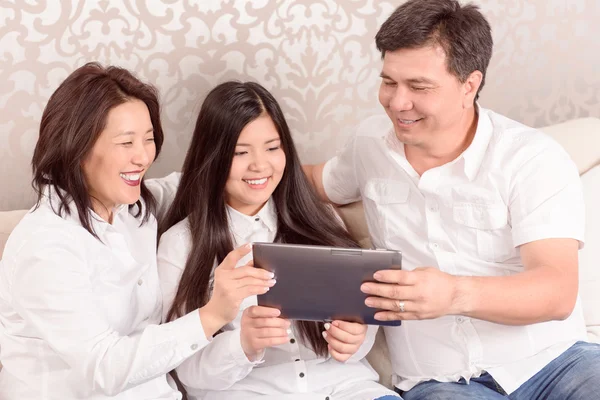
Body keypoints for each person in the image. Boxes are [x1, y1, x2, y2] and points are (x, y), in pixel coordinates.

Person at [303, 0, 600, 399]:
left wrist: (454, 294)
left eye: (419, 87)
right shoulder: (368, 145)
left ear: (469, 85)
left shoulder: (530, 158)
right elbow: (310, 181)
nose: (397, 102)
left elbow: (556, 290)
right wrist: (221, 172)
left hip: (555, 362)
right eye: (389, 81)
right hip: (440, 380)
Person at [0, 63, 274, 399]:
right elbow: (105, 367)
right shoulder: (46, 246)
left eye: (148, 139)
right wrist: (212, 315)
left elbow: (205, 177)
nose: (143, 157)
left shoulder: (134, 206)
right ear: (77, 147)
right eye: (126, 142)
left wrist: (278, 173)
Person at [157, 81, 400, 400]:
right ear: (213, 157)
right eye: (241, 152)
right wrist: (242, 343)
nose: (260, 165)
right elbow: (185, 371)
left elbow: (360, 326)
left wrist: (355, 338)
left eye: (272, 148)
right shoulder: (181, 245)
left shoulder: (321, 219)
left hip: (346, 388)